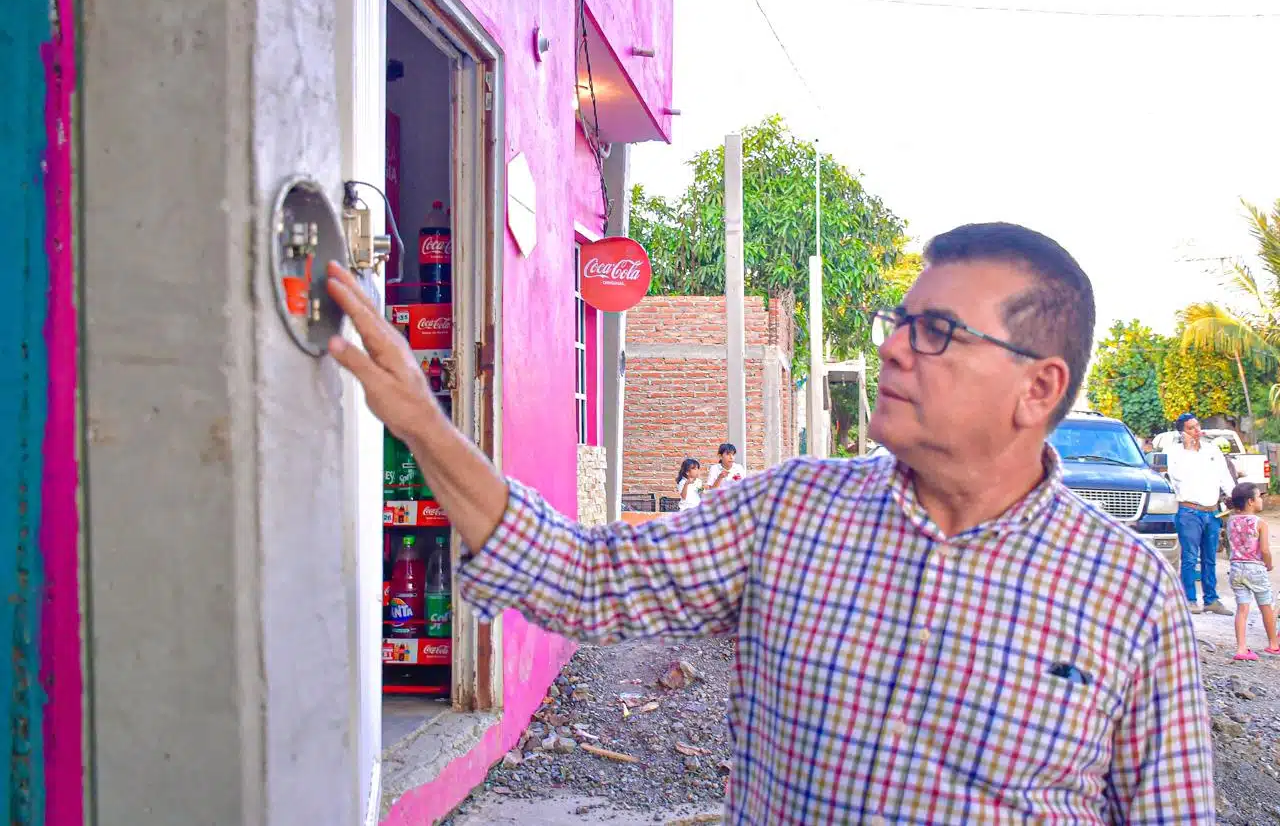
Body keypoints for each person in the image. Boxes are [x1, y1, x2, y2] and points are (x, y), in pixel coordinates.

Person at [323, 221, 1214, 823]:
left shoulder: (1127, 590)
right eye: (900, 321)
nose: (895, 346)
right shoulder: (790, 514)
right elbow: (580, 576)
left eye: (938, 330)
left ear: (1039, 387)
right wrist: (422, 421)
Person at [1167, 412, 1236, 614]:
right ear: (1182, 432)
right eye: (1191, 428)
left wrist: (1236, 500)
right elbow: (1177, 477)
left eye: (1197, 426)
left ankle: (1211, 599)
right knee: (1189, 557)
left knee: (1210, 558)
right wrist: (1188, 449)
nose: (1197, 431)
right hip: (1189, 511)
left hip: (1212, 512)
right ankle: (1189, 599)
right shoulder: (1175, 453)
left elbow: (1225, 479)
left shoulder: (1212, 450)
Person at [1225, 482, 1280, 660]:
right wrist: (1269, 564)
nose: (1261, 500)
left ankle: (1241, 649)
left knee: (1242, 608)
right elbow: (1264, 550)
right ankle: (1273, 644)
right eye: (1259, 497)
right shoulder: (1260, 523)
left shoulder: (1231, 520)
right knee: (1266, 607)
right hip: (1255, 568)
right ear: (1250, 501)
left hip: (1235, 568)